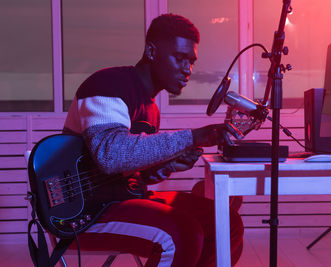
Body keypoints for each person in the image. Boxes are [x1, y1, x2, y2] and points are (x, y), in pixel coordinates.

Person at [63, 13, 244, 266]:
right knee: (181, 233)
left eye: (191, 62)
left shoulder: (151, 109)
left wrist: (169, 165)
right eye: (180, 58)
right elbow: (111, 156)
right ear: (151, 51)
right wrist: (194, 136)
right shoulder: (106, 85)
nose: (188, 70)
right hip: (84, 211)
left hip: (122, 198)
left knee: (226, 223)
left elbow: (135, 177)